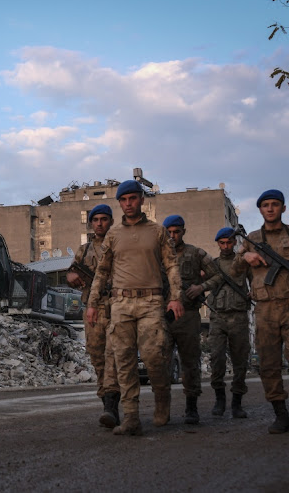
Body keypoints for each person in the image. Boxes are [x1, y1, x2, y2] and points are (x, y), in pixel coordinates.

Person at [86, 180, 184, 436]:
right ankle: (131, 417)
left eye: (133, 198)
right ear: (119, 203)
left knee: (154, 357)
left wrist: (175, 297)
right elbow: (102, 271)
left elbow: (172, 265)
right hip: (120, 303)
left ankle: (162, 398)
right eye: (124, 200)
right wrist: (92, 303)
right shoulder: (113, 235)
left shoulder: (158, 231)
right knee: (124, 361)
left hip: (151, 302)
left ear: (142, 200)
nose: (128, 204)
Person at [234, 189, 289, 434]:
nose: (270, 208)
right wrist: (246, 256)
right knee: (269, 364)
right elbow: (234, 270)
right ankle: (281, 414)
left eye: (275, 204)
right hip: (264, 308)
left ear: (283, 208)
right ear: (260, 209)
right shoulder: (251, 238)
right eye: (265, 205)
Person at [162, 215, 222, 425]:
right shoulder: (157, 255)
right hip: (163, 316)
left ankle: (191, 407)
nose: (172, 236)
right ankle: (163, 409)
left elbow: (218, 275)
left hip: (187, 316)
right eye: (168, 232)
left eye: (176, 232)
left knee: (190, 362)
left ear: (183, 232)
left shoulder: (195, 253)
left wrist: (201, 287)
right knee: (161, 364)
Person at [66, 204, 120, 428]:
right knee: (98, 357)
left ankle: (112, 407)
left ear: (111, 221)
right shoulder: (84, 249)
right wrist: (71, 276)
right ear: (90, 223)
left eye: (104, 219)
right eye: (95, 219)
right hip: (93, 309)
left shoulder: (119, 246)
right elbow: (72, 270)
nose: (100, 223)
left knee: (114, 357)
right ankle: (105, 401)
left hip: (117, 306)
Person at [207, 227, 251, 419]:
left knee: (240, 361)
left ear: (234, 243)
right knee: (217, 358)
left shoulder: (242, 264)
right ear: (218, 244)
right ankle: (220, 399)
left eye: (229, 242)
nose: (225, 246)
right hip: (218, 317)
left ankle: (237, 402)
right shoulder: (212, 265)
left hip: (239, 316)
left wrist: (253, 293)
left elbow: (255, 282)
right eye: (222, 243)